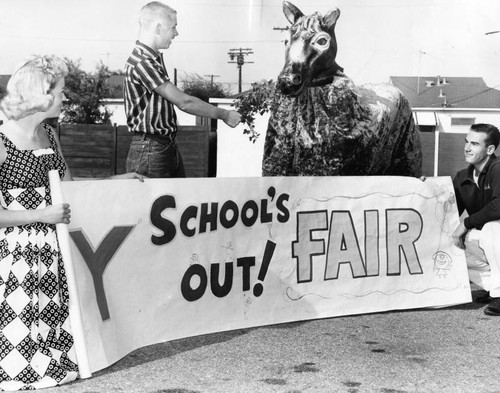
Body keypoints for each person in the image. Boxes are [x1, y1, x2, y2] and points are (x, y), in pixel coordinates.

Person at [0, 55, 142, 390]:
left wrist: (116, 180)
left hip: (51, 245)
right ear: (41, 95)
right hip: (15, 253)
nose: (65, 99)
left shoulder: (49, 133)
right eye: (61, 92)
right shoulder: (1, 141)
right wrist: (40, 215)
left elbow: (70, 185)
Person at [124, 1, 242, 178]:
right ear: (158, 28)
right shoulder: (143, 62)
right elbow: (184, 102)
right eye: (173, 27)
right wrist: (224, 114)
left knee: (177, 203)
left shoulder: (151, 59)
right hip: (151, 149)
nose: (176, 33)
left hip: (164, 146)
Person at [452, 123, 500, 316]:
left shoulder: (498, 168)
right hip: (490, 242)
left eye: (474, 143)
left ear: (489, 149)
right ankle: (493, 288)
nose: (467, 147)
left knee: (491, 229)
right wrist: (426, 189)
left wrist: (466, 223)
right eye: (466, 142)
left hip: (496, 234)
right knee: (452, 247)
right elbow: (447, 208)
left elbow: (499, 206)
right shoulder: (463, 177)